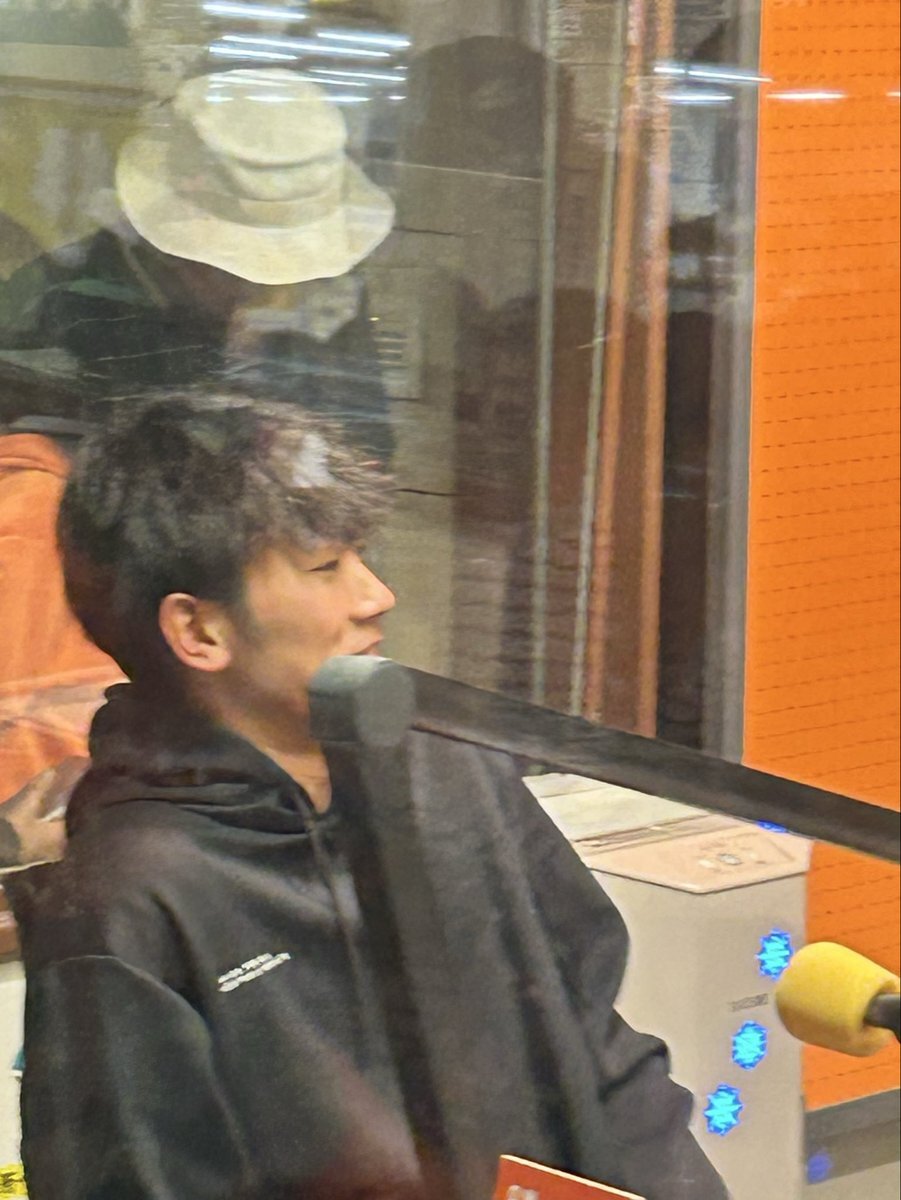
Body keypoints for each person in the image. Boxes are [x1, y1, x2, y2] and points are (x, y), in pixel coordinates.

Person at [10, 391, 728, 1200]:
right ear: (199, 631)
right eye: (326, 568)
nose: (375, 595)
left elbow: (597, 1045)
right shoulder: (131, 897)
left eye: (362, 555)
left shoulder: (445, 769)